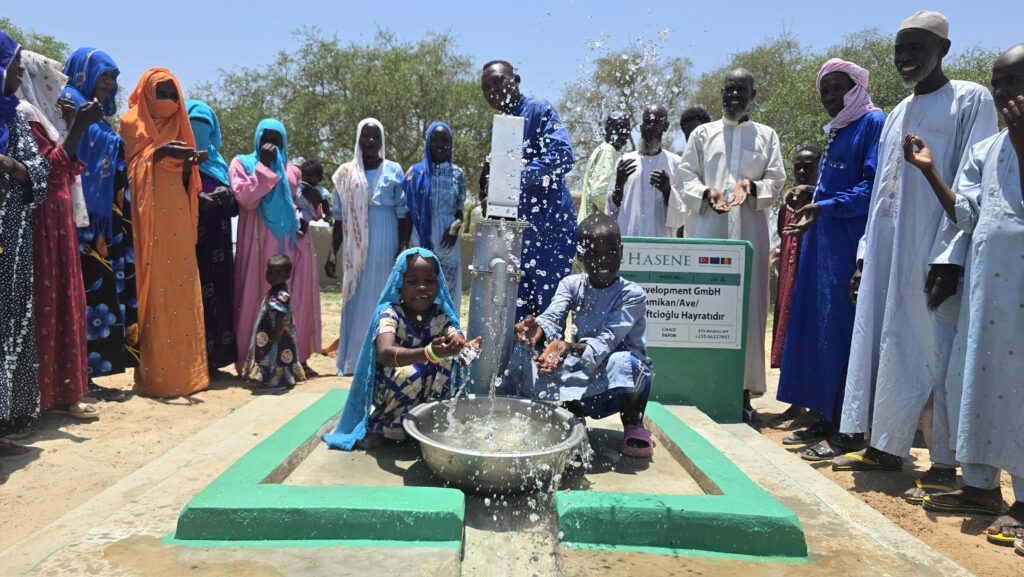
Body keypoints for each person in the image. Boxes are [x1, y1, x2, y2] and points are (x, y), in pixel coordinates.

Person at [833, 12, 998, 503]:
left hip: (937, 252)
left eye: (917, 47)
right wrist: (865, 256)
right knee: (887, 344)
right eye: (900, 48)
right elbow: (883, 194)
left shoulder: (971, 99)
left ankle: (945, 463)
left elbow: (976, 181)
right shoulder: (898, 111)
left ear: (943, 49)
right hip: (888, 251)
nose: (906, 56)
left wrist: (951, 257)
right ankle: (885, 446)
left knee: (941, 354)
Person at [902, 43, 1024, 546]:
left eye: (1014, 81)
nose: (1002, 93)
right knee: (974, 377)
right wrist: (930, 170)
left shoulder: (1012, 140)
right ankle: (980, 487)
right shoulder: (985, 149)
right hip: (986, 290)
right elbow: (966, 216)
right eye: (998, 82)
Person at [776, 58, 887, 461]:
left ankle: (849, 428)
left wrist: (824, 206)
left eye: (837, 89)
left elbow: (872, 190)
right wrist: (809, 193)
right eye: (824, 91)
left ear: (857, 87)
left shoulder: (873, 123)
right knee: (820, 332)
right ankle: (825, 416)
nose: (829, 98)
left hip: (849, 246)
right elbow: (833, 184)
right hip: (821, 245)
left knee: (844, 334)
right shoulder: (839, 128)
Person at [677, 68, 787, 422]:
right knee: (706, 308)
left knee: (748, 312)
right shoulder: (701, 134)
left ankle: (741, 394)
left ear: (754, 94)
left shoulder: (767, 136)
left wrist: (751, 187)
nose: (734, 95)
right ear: (721, 92)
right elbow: (685, 176)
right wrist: (706, 193)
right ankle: (702, 386)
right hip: (709, 232)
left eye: (742, 89)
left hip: (750, 236)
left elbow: (777, 178)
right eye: (729, 89)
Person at [503, 214, 654, 458]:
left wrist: (566, 347)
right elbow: (553, 316)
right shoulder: (571, 284)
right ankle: (574, 416)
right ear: (580, 254)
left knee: (629, 364)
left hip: (620, 384)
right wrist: (540, 330)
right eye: (593, 253)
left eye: (610, 252)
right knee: (529, 354)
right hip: (585, 368)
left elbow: (607, 340)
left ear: (622, 250)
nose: (602, 261)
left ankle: (633, 425)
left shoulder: (633, 294)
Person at [16, 50, 104, 419]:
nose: (59, 87)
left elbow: (66, 169)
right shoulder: (25, 116)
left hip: (60, 220)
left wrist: (70, 126)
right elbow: (46, 171)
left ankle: (68, 392)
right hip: (41, 224)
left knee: (67, 304)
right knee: (46, 306)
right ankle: (41, 397)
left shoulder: (49, 118)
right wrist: (78, 129)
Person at [323, 248, 479, 450]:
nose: (422, 287)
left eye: (429, 281)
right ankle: (385, 429)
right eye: (413, 282)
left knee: (449, 364)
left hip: (424, 386)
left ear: (438, 283)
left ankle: (427, 427)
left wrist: (462, 348)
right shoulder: (390, 313)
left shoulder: (441, 315)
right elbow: (386, 353)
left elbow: (454, 334)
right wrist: (428, 353)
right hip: (392, 384)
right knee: (411, 373)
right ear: (399, 285)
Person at [119, 68, 209, 398]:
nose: (171, 100)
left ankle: (187, 375)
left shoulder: (178, 123)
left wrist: (189, 162)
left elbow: (188, 179)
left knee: (181, 288)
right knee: (155, 288)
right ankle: (156, 377)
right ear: (148, 92)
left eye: (175, 94)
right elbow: (124, 171)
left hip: (178, 216)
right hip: (148, 219)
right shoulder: (130, 123)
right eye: (164, 93)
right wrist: (157, 154)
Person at [61, 47, 138, 402]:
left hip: (97, 221)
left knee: (98, 301)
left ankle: (88, 376)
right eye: (105, 75)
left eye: (113, 78)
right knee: (82, 300)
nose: (110, 84)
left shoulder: (95, 113)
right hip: (77, 219)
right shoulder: (67, 100)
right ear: (83, 72)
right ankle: (74, 378)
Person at [480, 60, 577, 319]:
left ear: (516, 80)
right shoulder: (498, 128)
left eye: (498, 81)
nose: (492, 90)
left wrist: (515, 177)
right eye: (486, 88)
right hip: (516, 238)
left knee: (549, 318)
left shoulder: (539, 109)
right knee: (516, 319)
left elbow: (563, 156)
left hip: (551, 232)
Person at [231, 119, 321, 377]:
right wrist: (262, 167)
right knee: (255, 297)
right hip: (258, 244)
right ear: (257, 138)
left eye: (276, 139)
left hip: (293, 245)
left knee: (294, 298)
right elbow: (246, 199)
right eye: (265, 138)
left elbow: (305, 206)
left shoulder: (292, 170)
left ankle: (296, 359)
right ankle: (254, 362)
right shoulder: (242, 163)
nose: (271, 144)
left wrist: (314, 205)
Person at [327, 118, 411, 375]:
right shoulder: (345, 173)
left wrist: (402, 247)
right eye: (366, 136)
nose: (371, 141)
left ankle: (384, 357)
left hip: (387, 240)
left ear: (381, 141)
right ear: (359, 139)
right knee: (357, 299)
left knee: (384, 299)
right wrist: (333, 252)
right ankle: (354, 361)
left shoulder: (394, 169)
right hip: (355, 246)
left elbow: (403, 213)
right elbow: (339, 217)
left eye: (376, 137)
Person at [0, 33, 49, 448]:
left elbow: (41, 174)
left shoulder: (15, 117)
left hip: (12, 243)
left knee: (10, 326)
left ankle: (7, 421)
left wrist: (8, 164)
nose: (20, 71)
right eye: (14, 63)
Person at [186, 99, 238, 376]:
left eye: (204, 126)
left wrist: (225, 194)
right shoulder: (177, 162)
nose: (199, 132)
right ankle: (192, 360)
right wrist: (194, 200)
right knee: (192, 298)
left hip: (218, 243)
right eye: (194, 125)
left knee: (219, 297)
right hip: (189, 243)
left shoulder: (221, 165)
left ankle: (216, 360)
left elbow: (235, 207)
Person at [403, 121, 467, 310]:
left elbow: (459, 209)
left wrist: (456, 226)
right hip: (422, 234)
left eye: (445, 141)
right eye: (435, 140)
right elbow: (407, 211)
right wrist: (404, 245)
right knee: (421, 286)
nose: (441, 145)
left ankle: (446, 334)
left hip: (449, 237)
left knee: (447, 287)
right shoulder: (414, 173)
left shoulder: (458, 173)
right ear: (428, 143)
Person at [771, 145, 822, 370]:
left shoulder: (825, 204)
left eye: (808, 167)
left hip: (814, 281)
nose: (801, 172)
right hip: (788, 282)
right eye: (797, 167)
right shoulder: (787, 205)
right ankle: (795, 403)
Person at [606, 104, 681, 238]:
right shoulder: (625, 161)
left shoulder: (675, 164)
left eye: (656, 122)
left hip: (661, 243)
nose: (650, 127)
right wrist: (619, 186)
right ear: (641, 126)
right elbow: (611, 212)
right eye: (647, 122)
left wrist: (668, 190)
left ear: (665, 126)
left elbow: (682, 214)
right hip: (629, 240)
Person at [241, 254, 305, 393]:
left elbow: (281, 314)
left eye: (277, 273)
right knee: (275, 357)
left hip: (276, 334)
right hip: (275, 332)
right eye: (269, 272)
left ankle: (275, 383)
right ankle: (280, 380)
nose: (272, 276)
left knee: (274, 357)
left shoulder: (280, 293)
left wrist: (276, 333)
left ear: (287, 275)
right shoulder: (276, 290)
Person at [578, 112, 630, 224]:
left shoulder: (605, 149)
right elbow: (597, 193)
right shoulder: (608, 150)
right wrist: (621, 210)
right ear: (608, 129)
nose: (624, 133)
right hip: (594, 228)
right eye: (620, 127)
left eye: (627, 129)